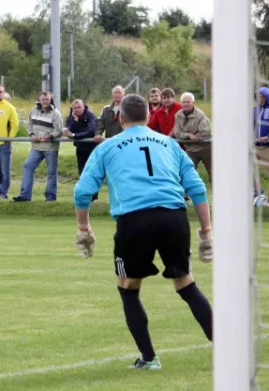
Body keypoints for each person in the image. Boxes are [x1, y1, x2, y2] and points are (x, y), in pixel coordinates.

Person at [73, 94, 214, 369]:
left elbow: (82, 192)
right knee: (186, 283)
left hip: (134, 220)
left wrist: (83, 228)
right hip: (174, 217)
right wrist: (207, 231)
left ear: (120, 118)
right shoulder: (170, 143)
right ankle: (227, 349)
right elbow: (197, 188)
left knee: (128, 288)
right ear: (149, 117)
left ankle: (149, 358)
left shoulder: (108, 147)